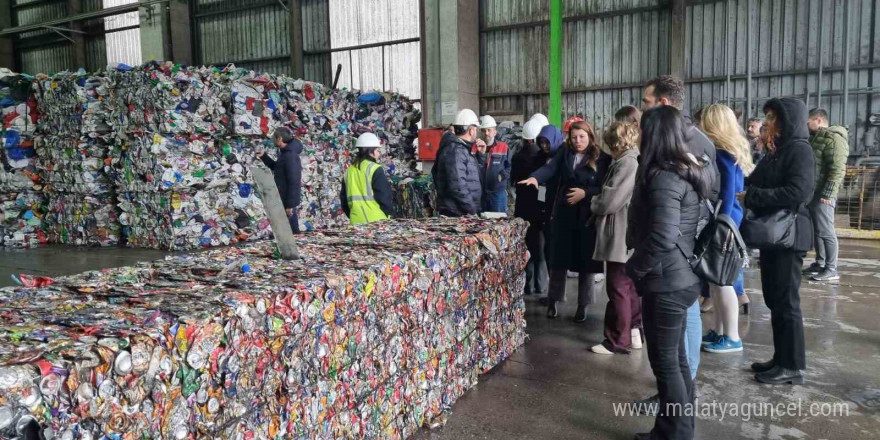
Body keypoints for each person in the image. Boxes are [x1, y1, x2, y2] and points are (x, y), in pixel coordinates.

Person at [627, 106, 712, 440]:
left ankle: (674, 433)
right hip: (679, 277)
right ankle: (676, 429)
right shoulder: (686, 169)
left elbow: (663, 234)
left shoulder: (665, 175)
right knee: (675, 362)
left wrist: (636, 268)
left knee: (666, 364)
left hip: (667, 281)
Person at [641, 75, 717, 394]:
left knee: (671, 355)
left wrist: (637, 267)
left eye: (646, 103)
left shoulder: (684, 145)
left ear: (663, 105)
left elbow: (666, 227)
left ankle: (680, 396)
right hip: (681, 253)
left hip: (676, 256)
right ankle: (681, 398)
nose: (641, 110)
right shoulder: (695, 140)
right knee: (677, 342)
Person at [744, 97, 815, 385]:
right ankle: (781, 357)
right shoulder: (777, 151)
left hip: (790, 235)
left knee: (786, 302)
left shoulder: (799, 151)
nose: (767, 124)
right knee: (775, 299)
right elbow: (754, 181)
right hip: (774, 236)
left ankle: (793, 366)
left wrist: (754, 197)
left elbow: (799, 192)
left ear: (788, 121)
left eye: (772, 118)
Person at [518, 121, 603, 322]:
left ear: (590, 136)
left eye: (582, 136)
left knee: (586, 265)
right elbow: (550, 169)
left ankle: (583, 305)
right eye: (574, 137)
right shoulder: (564, 153)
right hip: (564, 214)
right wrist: (535, 178)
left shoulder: (601, 158)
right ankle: (553, 301)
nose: (578, 141)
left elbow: (604, 187)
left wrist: (586, 194)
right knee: (558, 260)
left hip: (587, 217)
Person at [698, 104, 755, 354]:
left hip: (724, 222)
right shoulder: (729, 150)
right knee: (716, 281)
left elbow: (728, 191)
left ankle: (731, 336)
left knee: (722, 282)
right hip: (728, 219)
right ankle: (720, 331)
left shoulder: (722, 153)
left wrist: (721, 222)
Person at [589, 120, 642, 355]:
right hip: (625, 231)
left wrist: (594, 201)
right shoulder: (628, 161)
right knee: (628, 287)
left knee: (617, 286)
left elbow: (610, 201)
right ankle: (634, 332)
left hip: (620, 232)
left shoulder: (627, 164)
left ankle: (617, 340)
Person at [512, 121, 559, 298]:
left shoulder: (517, 157)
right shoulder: (543, 158)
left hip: (523, 208)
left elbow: (513, 180)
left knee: (529, 246)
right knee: (541, 248)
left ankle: (528, 286)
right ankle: (541, 286)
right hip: (541, 209)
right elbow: (544, 185)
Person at [803, 108, 848, 282]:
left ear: (819, 120)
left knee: (826, 230)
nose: (807, 125)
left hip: (824, 193)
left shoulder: (834, 139)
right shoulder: (816, 138)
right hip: (815, 192)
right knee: (818, 230)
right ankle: (820, 263)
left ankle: (831, 268)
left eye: (809, 122)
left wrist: (828, 193)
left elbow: (837, 169)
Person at [432, 109, 485, 217]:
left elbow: (473, 176)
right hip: (457, 212)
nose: (476, 132)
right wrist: (472, 210)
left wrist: (481, 155)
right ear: (471, 131)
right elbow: (458, 186)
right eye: (476, 129)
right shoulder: (456, 150)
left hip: (461, 210)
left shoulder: (463, 148)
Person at [339, 133, 393, 225]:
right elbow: (384, 197)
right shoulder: (375, 168)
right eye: (376, 150)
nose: (378, 153)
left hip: (356, 221)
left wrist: (353, 215)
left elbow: (344, 200)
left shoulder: (349, 171)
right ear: (370, 151)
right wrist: (387, 214)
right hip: (377, 221)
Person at [257, 127, 303, 233]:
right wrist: (264, 156)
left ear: (279, 139)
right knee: (287, 231)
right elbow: (277, 167)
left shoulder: (290, 155)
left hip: (287, 201)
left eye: (274, 138)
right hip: (282, 198)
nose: (272, 140)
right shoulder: (285, 153)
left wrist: (290, 205)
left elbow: (294, 181)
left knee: (292, 231)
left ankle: (300, 248)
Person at [476, 115, 511, 213]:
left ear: (495, 132)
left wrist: (501, 176)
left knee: (499, 222)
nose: (486, 133)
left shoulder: (504, 148)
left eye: (489, 130)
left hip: (497, 193)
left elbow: (509, 167)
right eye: (483, 130)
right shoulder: (475, 148)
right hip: (480, 193)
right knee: (480, 224)